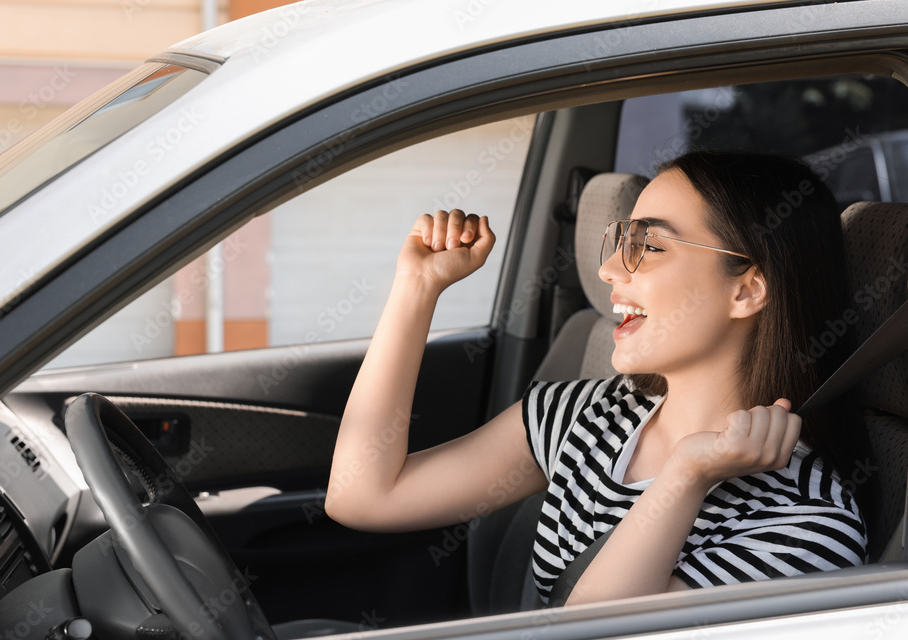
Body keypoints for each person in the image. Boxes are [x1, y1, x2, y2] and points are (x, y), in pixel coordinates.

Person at [325, 150, 870, 607]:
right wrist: (416, 289)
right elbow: (361, 496)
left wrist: (685, 477)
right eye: (617, 241)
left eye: (648, 247)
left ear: (747, 290)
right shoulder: (588, 415)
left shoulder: (809, 524)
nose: (610, 269)